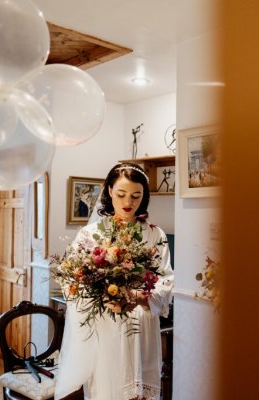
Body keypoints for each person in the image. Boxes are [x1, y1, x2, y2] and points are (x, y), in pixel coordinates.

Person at [55, 162, 174, 400]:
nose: (128, 202)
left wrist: (140, 297)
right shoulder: (89, 234)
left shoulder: (154, 234)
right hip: (105, 327)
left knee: (140, 391)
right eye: (121, 194)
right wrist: (105, 297)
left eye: (136, 196)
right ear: (109, 191)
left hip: (141, 326)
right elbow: (72, 283)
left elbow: (167, 280)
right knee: (106, 390)